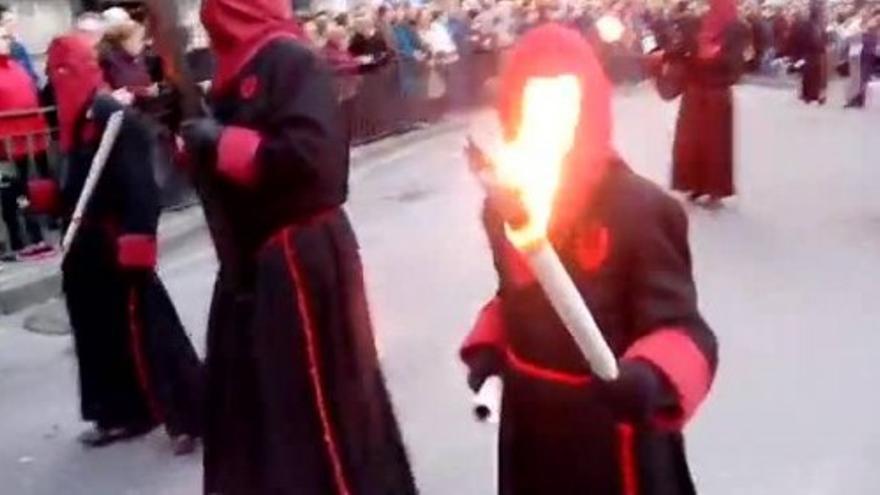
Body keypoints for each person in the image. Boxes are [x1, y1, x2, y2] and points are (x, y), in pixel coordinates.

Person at [461, 23, 718, 495]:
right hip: (530, 424)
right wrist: (492, 349)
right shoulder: (504, 207)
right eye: (533, 102)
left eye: (564, 101)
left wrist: (650, 376)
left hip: (610, 429)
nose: (548, 118)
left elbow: (685, 329)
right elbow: (513, 294)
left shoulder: (640, 209)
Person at [179, 0, 417, 493]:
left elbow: (320, 166)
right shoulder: (231, 71)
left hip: (298, 262)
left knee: (314, 410)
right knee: (253, 411)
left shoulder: (291, 60)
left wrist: (223, 144)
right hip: (249, 265)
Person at [45, 33, 202, 454]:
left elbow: (140, 186)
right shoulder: (76, 122)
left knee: (147, 327)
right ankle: (119, 411)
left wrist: (139, 235)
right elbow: (80, 188)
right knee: (97, 333)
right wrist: (52, 197)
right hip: (85, 247)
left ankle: (189, 412)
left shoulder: (113, 117)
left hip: (116, 241)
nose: (61, 78)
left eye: (67, 68)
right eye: (54, 71)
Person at [656, 0, 746, 208]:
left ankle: (715, 191)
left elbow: (735, 65)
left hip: (716, 94)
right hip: (694, 92)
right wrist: (670, 55)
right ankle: (694, 185)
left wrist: (711, 57)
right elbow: (680, 50)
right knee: (691, 142)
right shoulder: (696, 25)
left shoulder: (737, 30)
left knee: (715, 145)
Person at [0, 26, 52, 260]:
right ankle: (18, 240)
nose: (8, 41)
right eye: (2, 37)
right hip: (6, 145)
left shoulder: (16, 66)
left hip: (28, 140)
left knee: (28, 191)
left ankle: (34, 235)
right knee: (14, 193)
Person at [0, 4, 39, 87]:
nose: (14, 24)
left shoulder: (17, 45)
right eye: (9, 21)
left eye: (14, 20)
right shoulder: (12, 48)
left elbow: (30, 73)